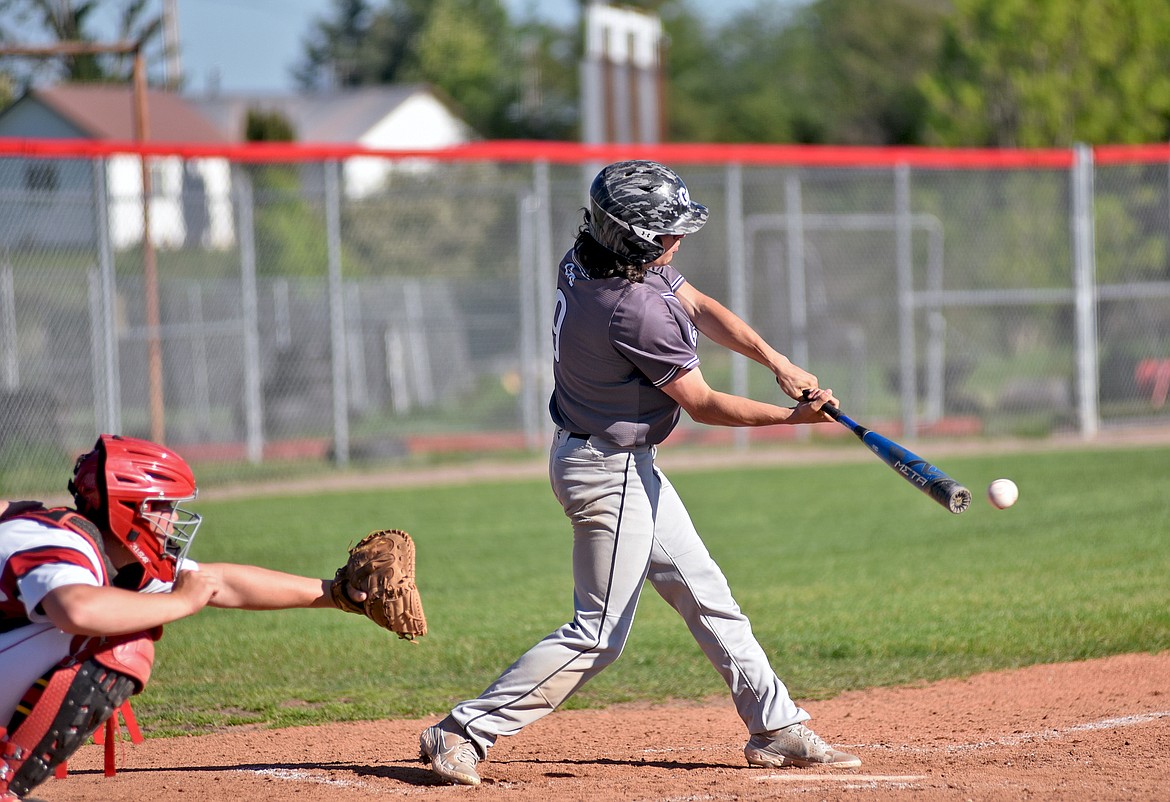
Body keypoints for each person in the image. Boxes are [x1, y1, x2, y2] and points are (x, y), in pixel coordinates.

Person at [419, 160, 860, 786]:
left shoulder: (591, 257)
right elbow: (703, 404)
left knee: (706, 594)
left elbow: (698, 304)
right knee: (598, 633)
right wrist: (794, 418)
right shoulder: (632, 310)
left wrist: (776, 360)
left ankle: (774, 725)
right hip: (607, 472)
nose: (677, 242)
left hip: (615, 461)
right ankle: (461, 733)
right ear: (632, 238)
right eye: (665, 233)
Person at [0, 434, 371, 801]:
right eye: (163, 506)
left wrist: (338, 595)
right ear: (126, 508)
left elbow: (222, 583)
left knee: (121, 623)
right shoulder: (58, 540)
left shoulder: (114, 557)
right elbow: (76, 610)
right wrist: (182, 603)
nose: (174, 517)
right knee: (124, 643)